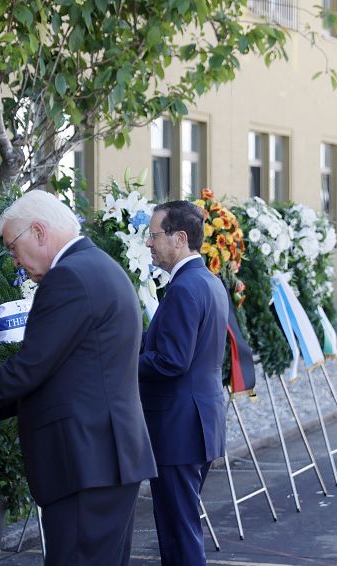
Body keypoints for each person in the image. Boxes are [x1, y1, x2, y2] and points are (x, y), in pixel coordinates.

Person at [0, 191, 157, 566]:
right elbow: (59, 374)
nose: (14, 260)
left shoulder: (69, 277)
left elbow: (28, 370)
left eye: (13, 247)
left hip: (85, 462)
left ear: (39, 232)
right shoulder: (100, 267)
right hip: (104, 459)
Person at [139, 201, 229, 566]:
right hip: (196, 422)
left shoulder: (185, 287)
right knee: (181, 526)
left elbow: (172, 361)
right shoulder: (208, 281)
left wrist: (117, 363)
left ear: (179, 238)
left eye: (154, 235)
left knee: (179, 531)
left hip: (178, 427)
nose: (148, 243)